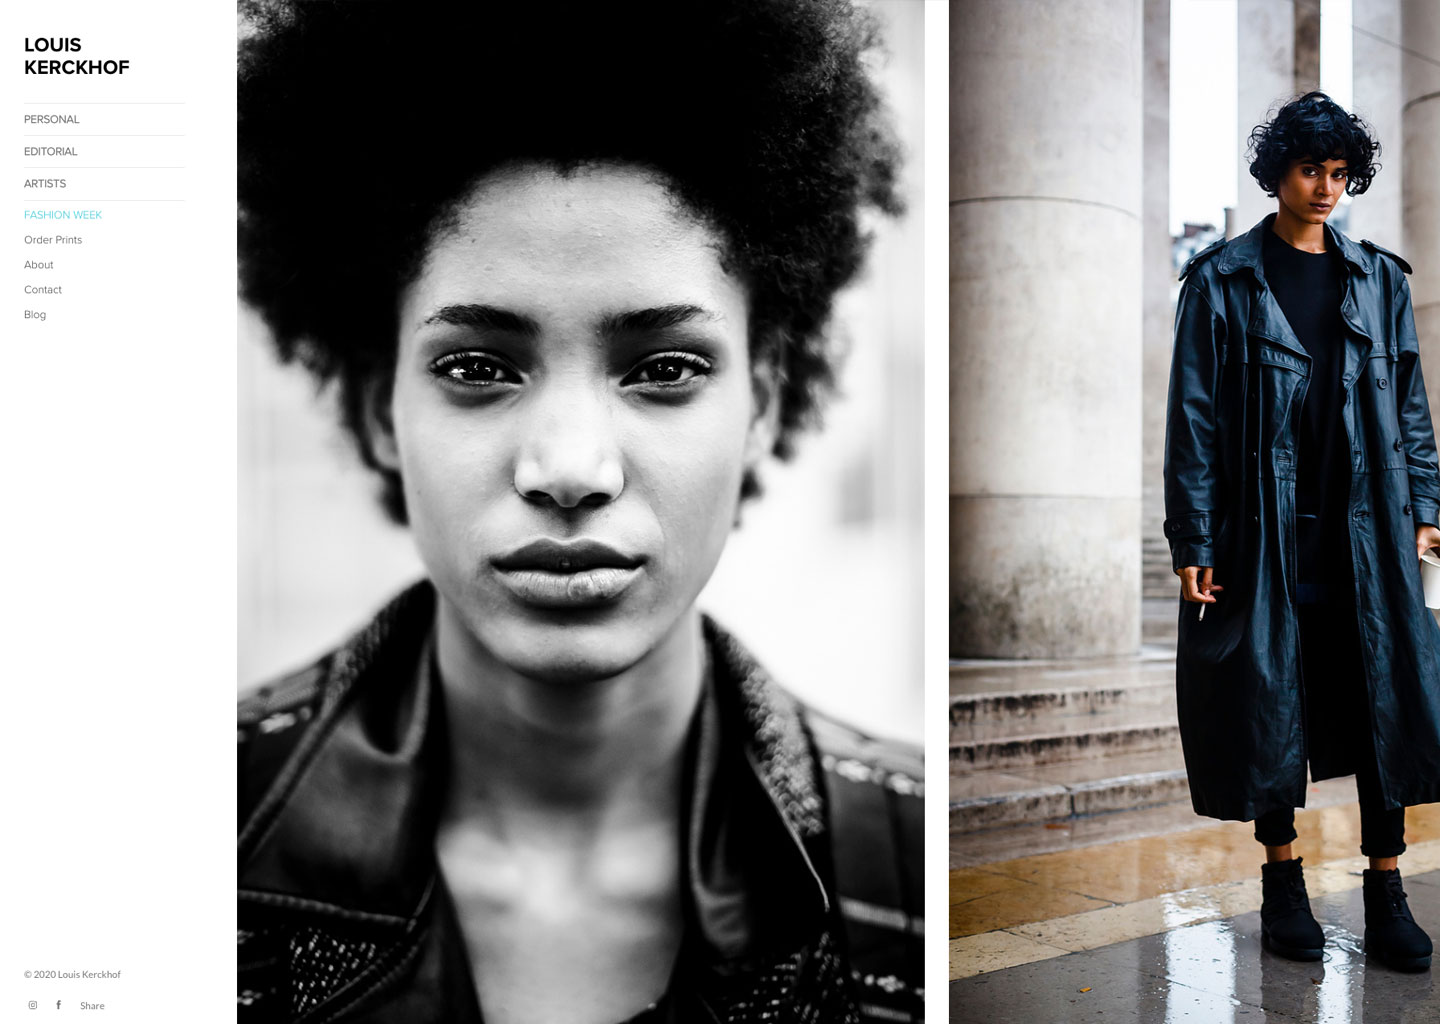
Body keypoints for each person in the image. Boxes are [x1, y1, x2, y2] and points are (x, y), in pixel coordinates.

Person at [235, 1, 922, 1022]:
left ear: (763, 403)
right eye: (476, 366)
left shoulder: (908, 871)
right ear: (383, 405)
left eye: (663, 368)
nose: (569, 467)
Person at [1165, 91, 1440, 972]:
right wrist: (1194, 535)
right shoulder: (1221, 279)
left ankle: (1386, 887)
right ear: (1275, 173)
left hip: (1370, 525)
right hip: (1265, 529)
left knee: (1380, 698)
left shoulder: (1381, 278)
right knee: (1268, 694)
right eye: (1310, 170)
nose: (1327, 188)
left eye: (1339, 173)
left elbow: (1409, 403)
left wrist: (1427, 505)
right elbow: (1194, 418)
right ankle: (1283, 882)